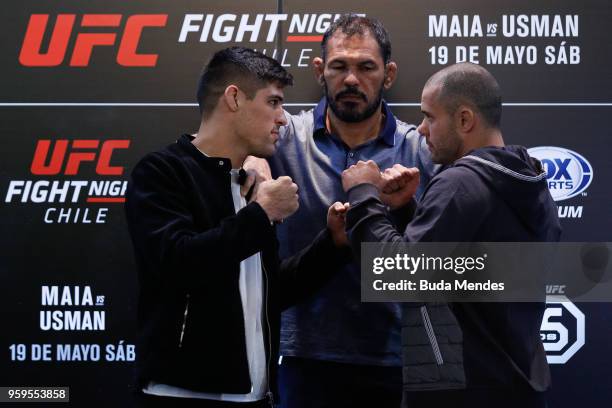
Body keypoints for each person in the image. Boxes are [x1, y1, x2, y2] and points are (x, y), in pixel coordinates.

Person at [125, 46, 352, 408]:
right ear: (234, 98)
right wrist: (261, 215)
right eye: (273, 102)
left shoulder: (246, 184)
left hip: (257, 397)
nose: (283, 118)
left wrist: (332, 244)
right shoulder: (162, 172)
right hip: (182, 395)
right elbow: (176, 264)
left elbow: (268, 293)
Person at [342, 62, 562, 408]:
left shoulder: (461, 182)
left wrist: (362, 195)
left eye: (430, 117)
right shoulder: (527, 179)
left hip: (460, 393)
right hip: (514, 387)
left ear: (464, 120)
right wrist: (405, 210)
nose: (421, 129)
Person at [244, 14, 434, 408]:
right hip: (306, 356)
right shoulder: (282, 139)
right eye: (339, 66)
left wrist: (404, 208)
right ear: (320, 70)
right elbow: (218, 138)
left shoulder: (421, 150)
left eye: (366, 67)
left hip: (398, 356)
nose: (351, 80)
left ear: (389, 74)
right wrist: (250, 158)